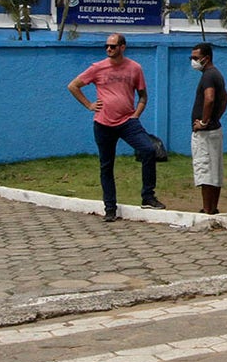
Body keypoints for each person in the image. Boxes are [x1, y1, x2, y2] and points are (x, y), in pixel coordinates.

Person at [67, 33, 166, 222]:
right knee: (106, 165)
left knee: (148, 149)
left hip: (128, 122)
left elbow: (143, 96)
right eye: (107, 46)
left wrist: (136, 115)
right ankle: (110, 208)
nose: (109, 49)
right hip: (103, 123)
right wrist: (89, 105)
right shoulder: (97, 68)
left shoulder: (134, 68)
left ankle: (148, 196)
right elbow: (73, 86)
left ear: (122, 47)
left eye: (113, 46)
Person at [189, 42, 227, 215]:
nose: (193, 61)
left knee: (205, 170)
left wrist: (204, 122)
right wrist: (215, 118)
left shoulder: (208, 76)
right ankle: (213, 207)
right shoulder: (216, 74)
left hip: (205, 133)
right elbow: (225, 98)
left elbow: (210, 98)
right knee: (215, 171)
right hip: (214, 130)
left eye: (196, 58)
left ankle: (207, 209)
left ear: (206, 58)